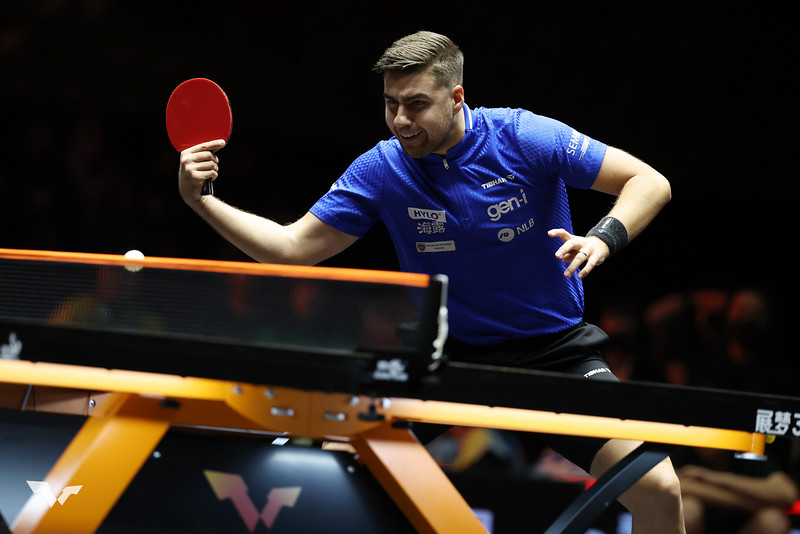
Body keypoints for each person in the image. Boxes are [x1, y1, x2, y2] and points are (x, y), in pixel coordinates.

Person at [178, 31, 683, 532]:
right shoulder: (382, 168)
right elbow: (290, 249)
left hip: (552, 351)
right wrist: (202, 200)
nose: (401, 120)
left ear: (456, 96)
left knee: (658, 491)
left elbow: (648, 181)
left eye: (416, 104)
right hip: (445, 354)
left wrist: (602, 238)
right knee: (331, 469)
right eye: (390, 104)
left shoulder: (523, 136)